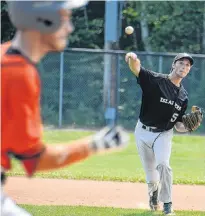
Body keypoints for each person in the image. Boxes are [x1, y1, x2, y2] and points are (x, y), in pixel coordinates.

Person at [1, 1, 129, 215]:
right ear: (43, 19)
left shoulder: (6, 58)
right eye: (65, 18)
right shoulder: (19, 74)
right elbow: (35, 160)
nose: (69, 28)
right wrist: (95, 145)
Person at [125, 52, 202, 215]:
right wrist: (132, 58)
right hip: (142, 132)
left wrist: (188, 127)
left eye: (188, 65)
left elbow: (178, 125)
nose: (184, 67)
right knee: (152, 177)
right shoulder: (155, 80)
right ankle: (153, 194)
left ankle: (167, 205)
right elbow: (136, 69)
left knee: (164, 165)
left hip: (163, 134)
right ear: (174, 65)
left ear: (189, 71)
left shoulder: (183, 96)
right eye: (181, 63)